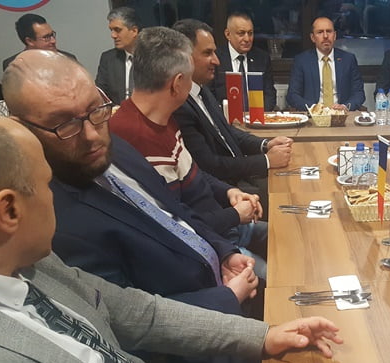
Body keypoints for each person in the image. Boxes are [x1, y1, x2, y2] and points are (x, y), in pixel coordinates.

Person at [0, 115, 342, 363]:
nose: (56, 196)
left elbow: (141, 314)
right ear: (9, 211)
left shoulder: (38, 267)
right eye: (46, 184)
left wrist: (264, 335)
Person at [109, 26, 269, 278]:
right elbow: (176, 224)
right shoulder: (131, 138)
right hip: (207, 245)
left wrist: (230, 192)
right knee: (276, 279)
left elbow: (193, 172)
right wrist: (233, 216)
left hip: (223, 228)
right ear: (177, 84)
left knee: (290, 236)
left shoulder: (164, 117)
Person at [172, 19, 293, 217]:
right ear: (183, 57)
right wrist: (266, 161)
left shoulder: (202, 90)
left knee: (293, 184)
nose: (216, 61)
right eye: (207, 53)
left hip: (240, 176)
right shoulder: (180, 107)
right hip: (225, 191)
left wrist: (265, 144)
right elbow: (211, 166)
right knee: (288, 205)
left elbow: (228, 132)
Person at [287, 16, 365, 111]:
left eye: (329, 31)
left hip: (342, 115)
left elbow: (359, 93)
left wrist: (345, 107)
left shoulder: (348, 59)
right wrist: (314, 108)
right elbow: (292, 95)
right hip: (313, 115)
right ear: (312, 37)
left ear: (334, 35)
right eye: (320, 32)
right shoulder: (302, 61)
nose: (325, 36)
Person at [210, 12, 277, 109]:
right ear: (228, 34)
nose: (247, 39)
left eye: (250, 33)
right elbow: (210, 95)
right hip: (224, 116)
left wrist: (260, 115)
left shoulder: (262, 58)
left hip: (257, 116)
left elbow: (269, 95)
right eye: (241, 33)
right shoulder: (216, 58)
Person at [95, 7, 141, 105]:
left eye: (117, 30)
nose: (113, 35)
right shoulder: (108, 59)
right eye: (111, 30)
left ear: (134, 31)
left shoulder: (153, 57)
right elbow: (100, 94)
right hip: (117, 111)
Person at [2, 13, 76, 70]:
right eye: (46, 37)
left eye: (52, 35)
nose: (53, 41)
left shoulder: (69, 59)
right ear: (29, 41)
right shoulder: (13, 65)